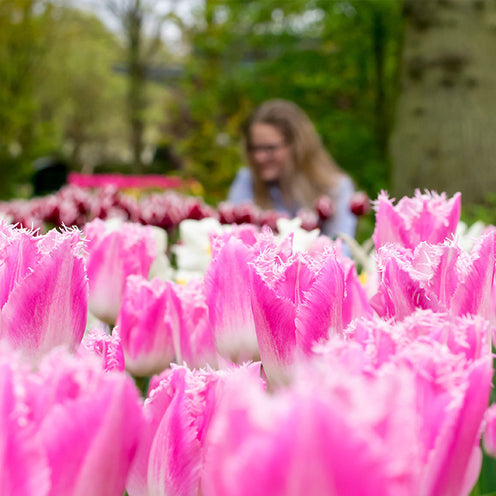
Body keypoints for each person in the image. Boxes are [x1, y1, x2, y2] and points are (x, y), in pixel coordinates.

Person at [228, 99, 356, 239]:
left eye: (270, 148)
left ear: (297, 146)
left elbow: (341, 250)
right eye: (254, 148)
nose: (259, 157)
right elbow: (232, 238)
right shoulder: (247, 180)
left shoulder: (335, 188)